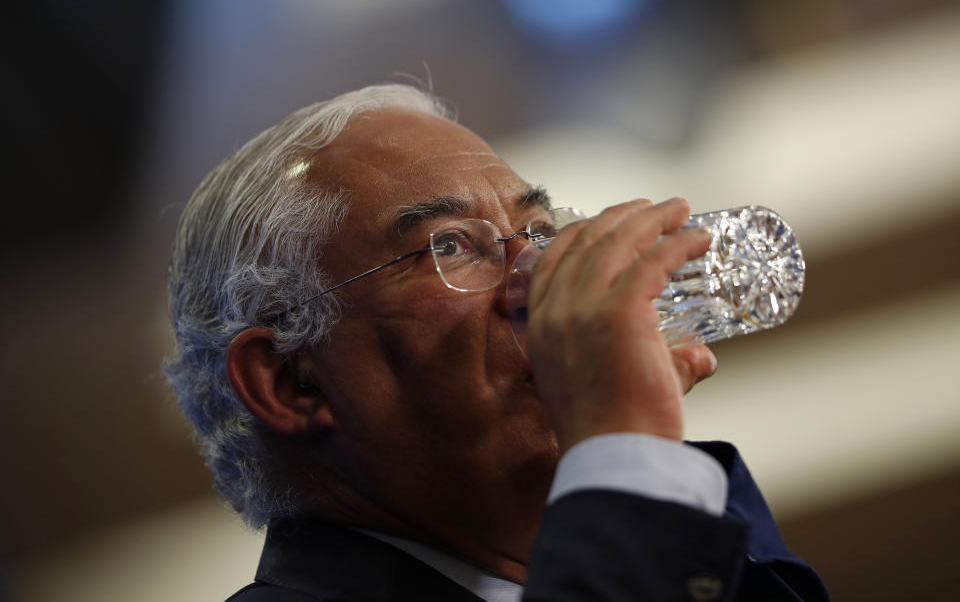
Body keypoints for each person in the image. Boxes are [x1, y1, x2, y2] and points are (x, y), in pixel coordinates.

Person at [165, 84, 829, 601]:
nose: (538, 277)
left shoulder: (717, 561)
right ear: (291, 381)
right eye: (449, 246)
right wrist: (626, 452)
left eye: (539, 232)